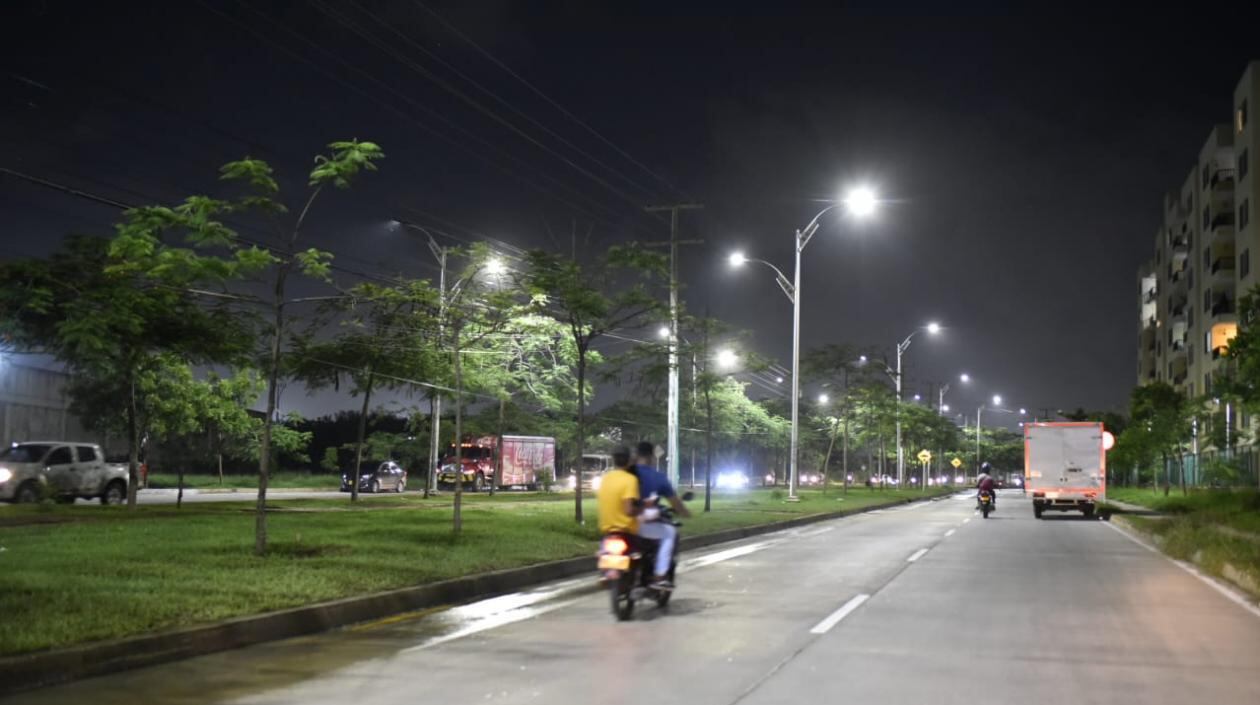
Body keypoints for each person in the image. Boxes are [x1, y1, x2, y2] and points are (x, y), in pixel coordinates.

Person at [632, 441, 691, 590]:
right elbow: (675, 503)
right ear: (651, 457)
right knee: (669, 533)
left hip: (620, 523)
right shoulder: (658, 477)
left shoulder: (624, 474)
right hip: (642, 523)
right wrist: (685, 512)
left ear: (636, 455)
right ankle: (659, 576)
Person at [596, 447, 642, 537]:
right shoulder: (630, 479)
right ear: (629, 461)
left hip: (607, 533)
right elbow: (629, 511)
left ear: (613, 461)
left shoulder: (605, 478)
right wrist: (643, 509)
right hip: (627, 533)